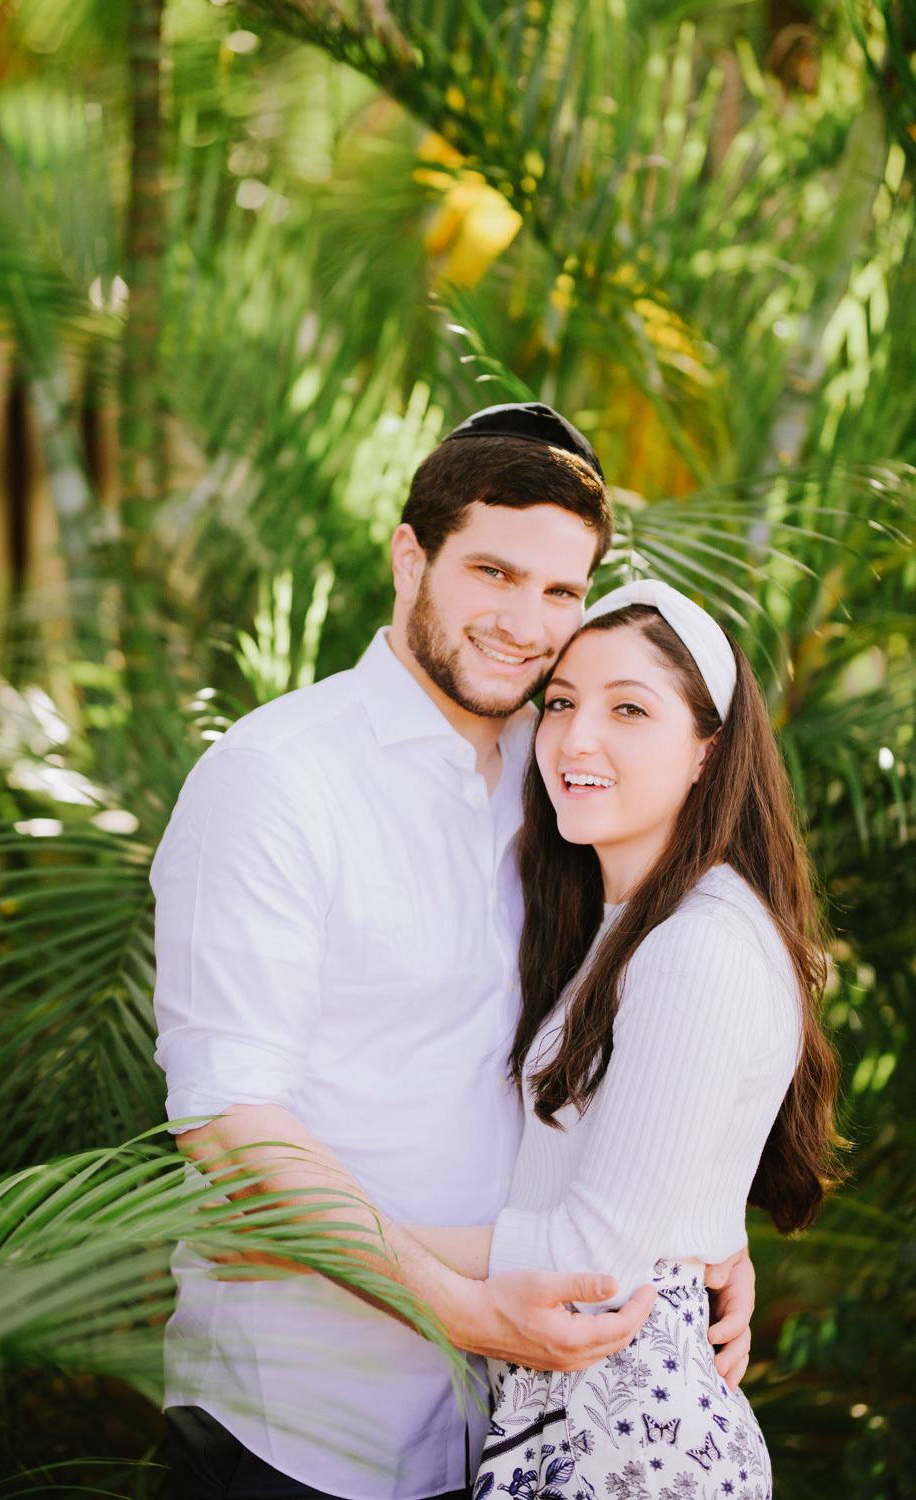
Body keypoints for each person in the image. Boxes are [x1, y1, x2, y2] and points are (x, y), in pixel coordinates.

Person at [151, 406, 756, 1500]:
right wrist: (463, 1305)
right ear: (408, 556)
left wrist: (688, 1224)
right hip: (296, 1422)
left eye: (560, 592)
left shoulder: (565, 769)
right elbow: (228, 1118)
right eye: (491, 572)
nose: (525, 623)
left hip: (501, 1428)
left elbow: (651, 1029)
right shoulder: (277, 779)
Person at [404, 580, 840, 1500]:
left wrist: (332, 1232)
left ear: (705, 751)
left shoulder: (699, 945)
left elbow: (590, 1251)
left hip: (627, 1432)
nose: (575, 738)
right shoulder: (629, 925)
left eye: (629, 708)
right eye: (559, 703)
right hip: (580, 1408)